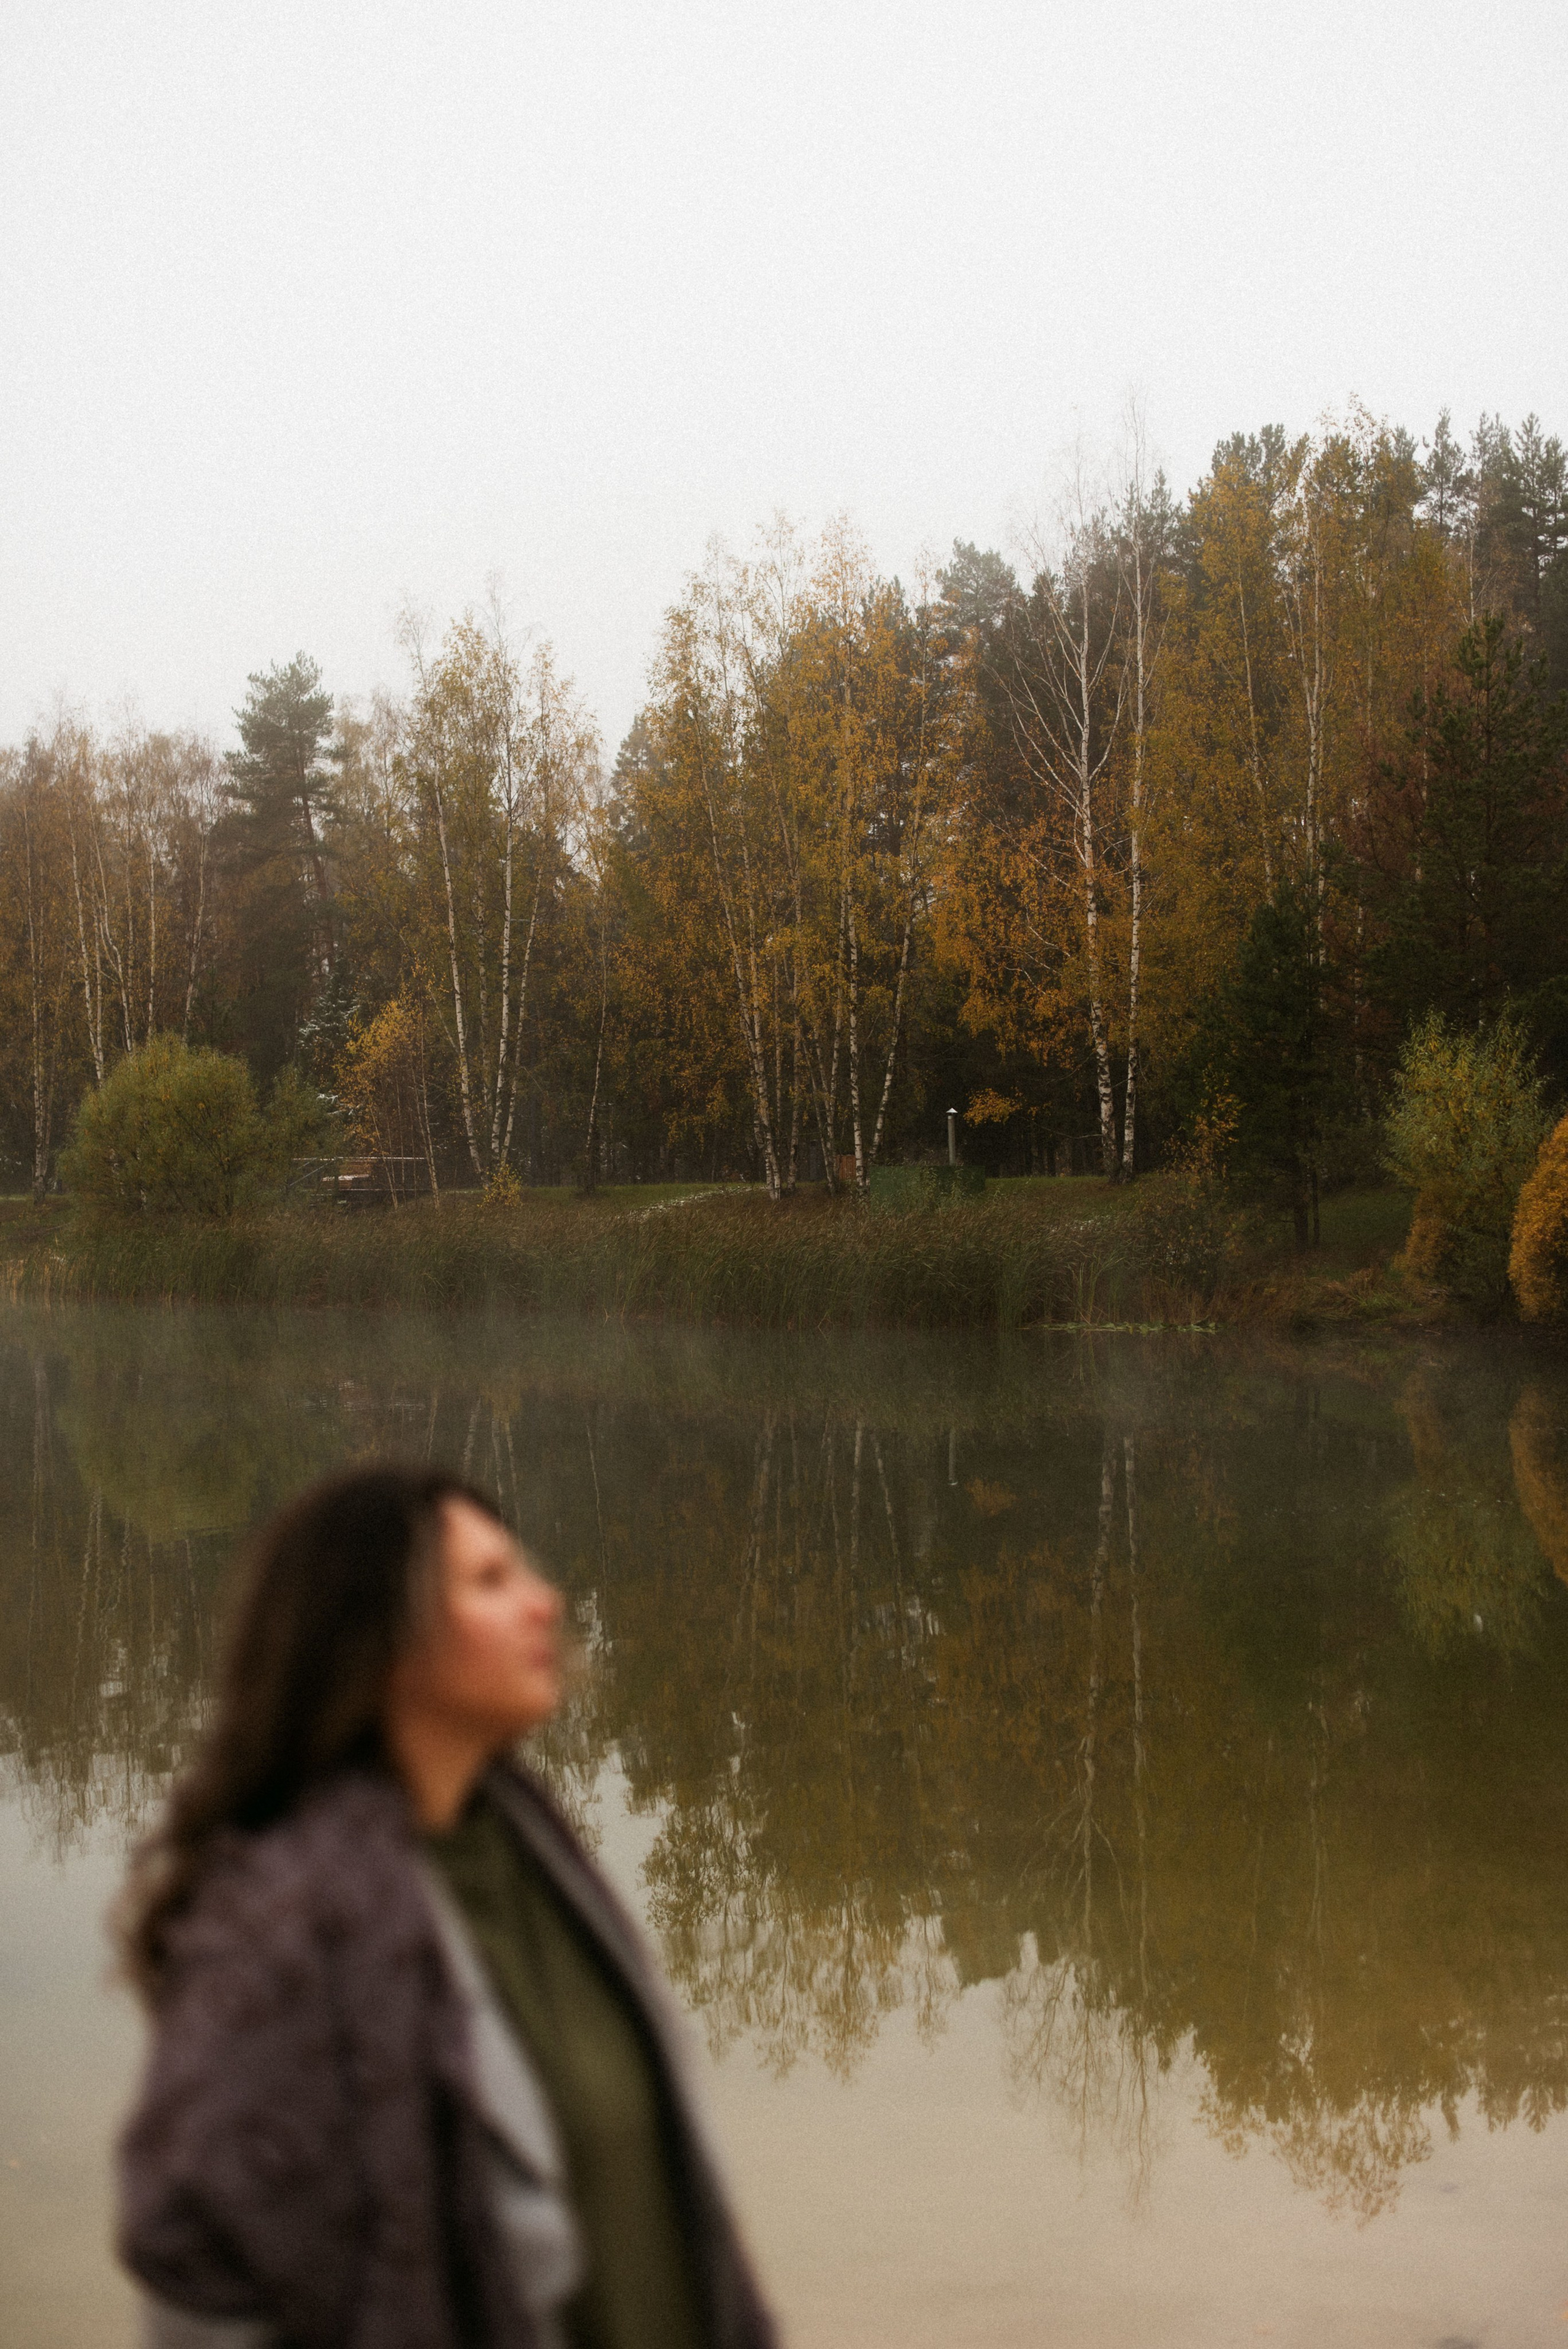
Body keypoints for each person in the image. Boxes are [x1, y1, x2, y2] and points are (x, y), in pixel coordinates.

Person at [115, 1463, 776, 2349]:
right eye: (491, 1582)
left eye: (523, 1572)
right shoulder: (279, 1927)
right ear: (384, 1640)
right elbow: (198, 2276)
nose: (544, 1603)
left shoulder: (527, 1846)